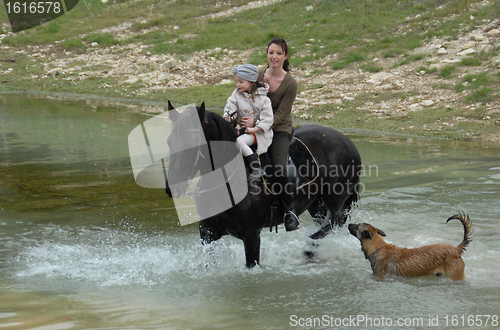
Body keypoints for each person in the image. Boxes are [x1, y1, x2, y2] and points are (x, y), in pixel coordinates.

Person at [241, 37, 300, 232]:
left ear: (285, 56)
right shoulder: (257, 76)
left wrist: (258, 124)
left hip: (279, 129)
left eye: (278, 53)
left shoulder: (290, 83)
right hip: (253, 125)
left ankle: (289, 210)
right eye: (271, 52)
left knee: (279, 167)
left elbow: (282, 113)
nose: (274, 56)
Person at [223, 64, 274, 180]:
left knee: (239, 142)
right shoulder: (236, 94)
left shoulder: (264, 100)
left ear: (251, 82)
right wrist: (230, 120)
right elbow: (230, 108)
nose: (237, 85)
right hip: (242, 129)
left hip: (259, 133)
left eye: (241, 82)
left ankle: (256, 166)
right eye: (236, 82)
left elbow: (268, 120)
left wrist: (254, 128)